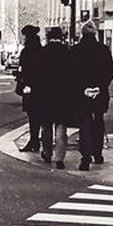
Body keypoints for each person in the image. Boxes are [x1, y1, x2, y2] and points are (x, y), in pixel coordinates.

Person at [69, 18, 113, 170]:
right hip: (99, 91)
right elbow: (110, 70)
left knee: (84, 123)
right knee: (99, 121)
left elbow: (71, 73)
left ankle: (85, 156)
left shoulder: (76, 50)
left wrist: (82, 88)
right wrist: (100, 87)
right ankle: (98, 152)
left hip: (81, 93)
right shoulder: (103, 49)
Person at [37, 25, 77, 169]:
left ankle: (47, 152)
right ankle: (59, 157)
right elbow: (73, 75)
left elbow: (38, 75)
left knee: (46, 126)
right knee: (61, 127)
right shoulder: (67, 52)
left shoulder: (43, 52)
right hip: (63, 95)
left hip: (46, 95)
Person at [15, 24, 44, 153]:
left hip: (29, 87)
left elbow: (23, 69)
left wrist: (20, 79)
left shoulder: (26, 52)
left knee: (32, 116)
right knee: (40, 115)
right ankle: (36, 140)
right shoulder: (41, 50)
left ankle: (34, 140)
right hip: (41, 87)